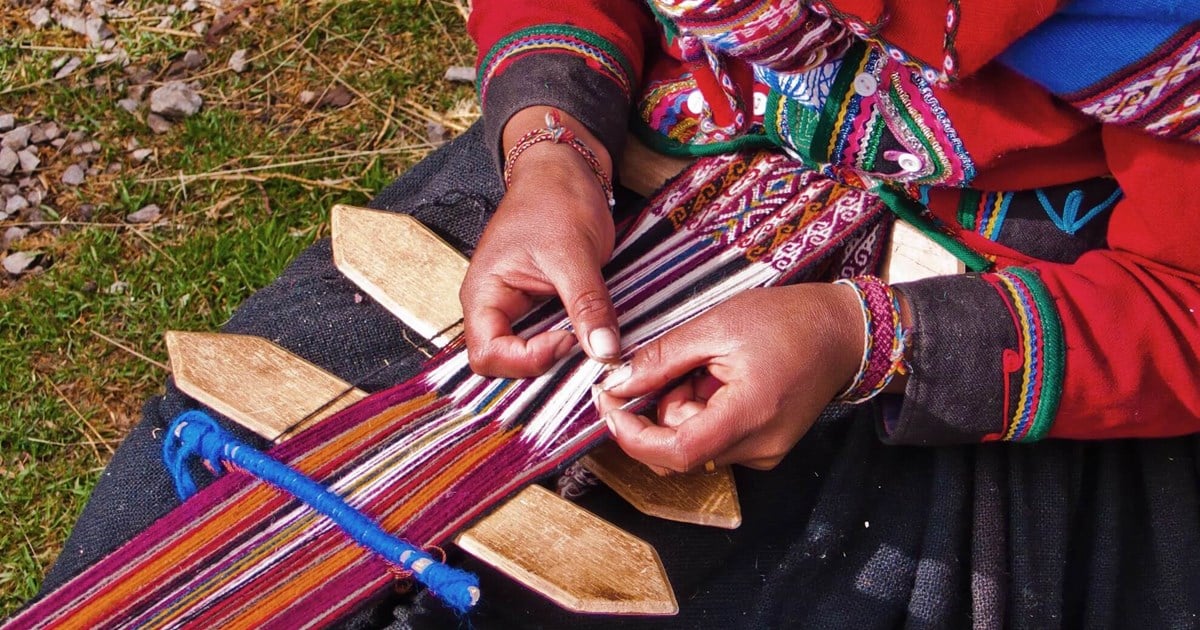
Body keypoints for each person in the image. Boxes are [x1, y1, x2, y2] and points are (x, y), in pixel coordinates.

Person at [33, 0, 1200, 627]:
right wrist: (548, 146)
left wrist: (864, 340)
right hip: (645, 162)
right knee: (199, 492)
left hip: (1012, 279)